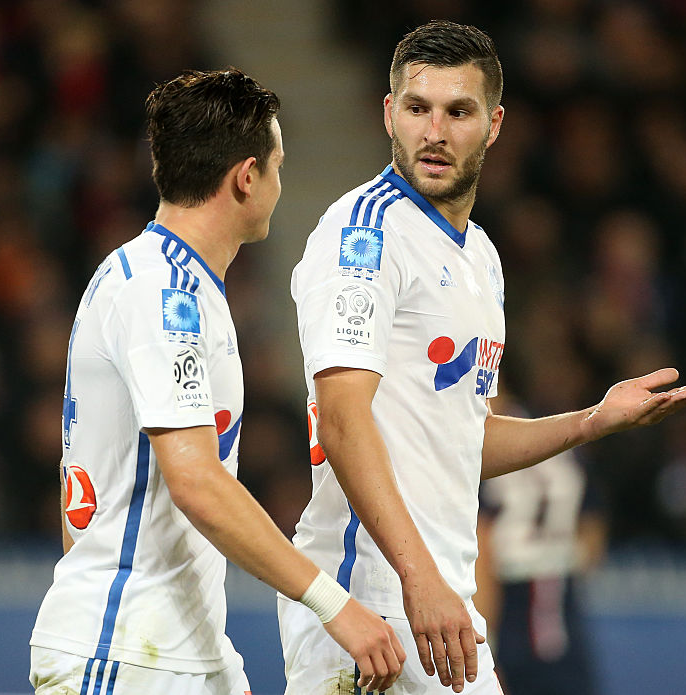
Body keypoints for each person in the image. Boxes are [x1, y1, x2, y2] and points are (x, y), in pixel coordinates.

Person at [282, 20, 686, 695]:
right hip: (369, 601)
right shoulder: (361, 238)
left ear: (495, 123)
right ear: (390, 114)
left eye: (459, 111)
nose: (435, 131)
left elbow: (459, 440)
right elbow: (340, 419)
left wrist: (591, 421)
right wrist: (420, 581)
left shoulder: (481, 257)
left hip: (440, 599)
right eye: (418, 108)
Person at [29, 68, 405, 695]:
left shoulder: (168, 283)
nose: (281, 185)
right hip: (125, 652)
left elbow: (95, 495)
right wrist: (335, 605)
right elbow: (197, 481)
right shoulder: (164, 292)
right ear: (247, 176)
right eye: (278, 168)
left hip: (176, 648)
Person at [474, 394, 607, 695]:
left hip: (507, 610)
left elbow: (481, 543)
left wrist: (485, 643)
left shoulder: (468, 440)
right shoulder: (557, 431)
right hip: (558, 606)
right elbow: (593, 532)